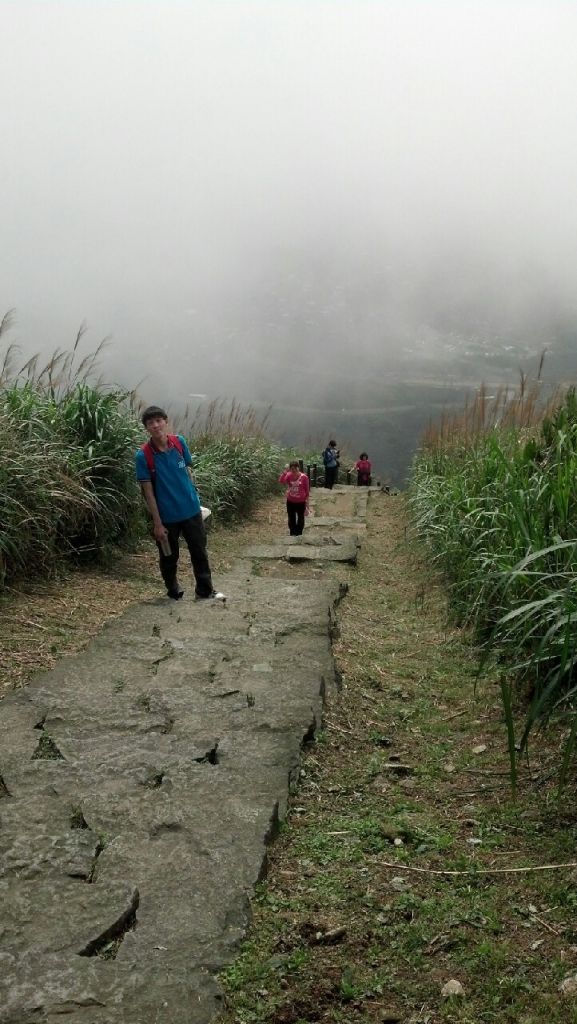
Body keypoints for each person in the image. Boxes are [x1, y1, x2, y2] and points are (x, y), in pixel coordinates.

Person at [135, 406, 224, 601]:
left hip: (191, 510)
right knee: (169, 557)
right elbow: (148, 493)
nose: (156, 425)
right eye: (151, 423)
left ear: (166, 421)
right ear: (147, 428)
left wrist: (195, 499)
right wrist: (157, 523)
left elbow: (188, 473)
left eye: (159, 420)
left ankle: (205, 590)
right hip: (167, 517)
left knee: (199, 552)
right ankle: (173, 590)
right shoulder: (143, 456)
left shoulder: (179, 443)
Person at [279, 461, 310, 536]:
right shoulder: (289, 475)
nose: (294, 470)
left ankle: (299, 534)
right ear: (290, 469)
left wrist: (307, 503)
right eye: (292, 469)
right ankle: (292, 533)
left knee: (300, 518)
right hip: (290, 500)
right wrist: (284, 473)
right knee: (291, 517)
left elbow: (307, 490)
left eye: (295, 468)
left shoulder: (304, 477)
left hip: (301, 501)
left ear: (298, 468)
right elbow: (281, 481)